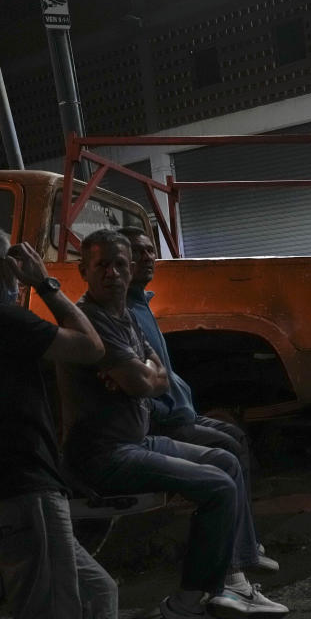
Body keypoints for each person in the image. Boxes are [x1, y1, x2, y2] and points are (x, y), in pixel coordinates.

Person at [58, 229, 287, 619]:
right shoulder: (92, 321)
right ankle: (187, 602)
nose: (112, 273)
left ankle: (229, 586)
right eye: (102, 266)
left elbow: (154, 378)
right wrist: (142, 376)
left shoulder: (127, 315)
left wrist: (143, 375)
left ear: (130, 271)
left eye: (120, 265)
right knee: (217, 487)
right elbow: (142, 380)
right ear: (84, 271)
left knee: (226, 461)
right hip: (105, 455)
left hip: (138, 440)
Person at [117, 226, 276, 569]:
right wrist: (166, 410)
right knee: (228, 451)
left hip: (180, 412)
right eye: (137, 252)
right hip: (165, 420)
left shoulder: (142, 305)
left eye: (149, 250)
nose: (147, 257)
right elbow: (141, 384)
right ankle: (236, 558)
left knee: (236, 438)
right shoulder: (125, 313)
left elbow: (163, 374)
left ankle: (245, 544)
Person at [0, 230, 117, 619]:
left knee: (99, 592)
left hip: (21, 486)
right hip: (25, 488)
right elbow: (90, 347)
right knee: (49, 609)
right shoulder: (7, 319)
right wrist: (44, 283)